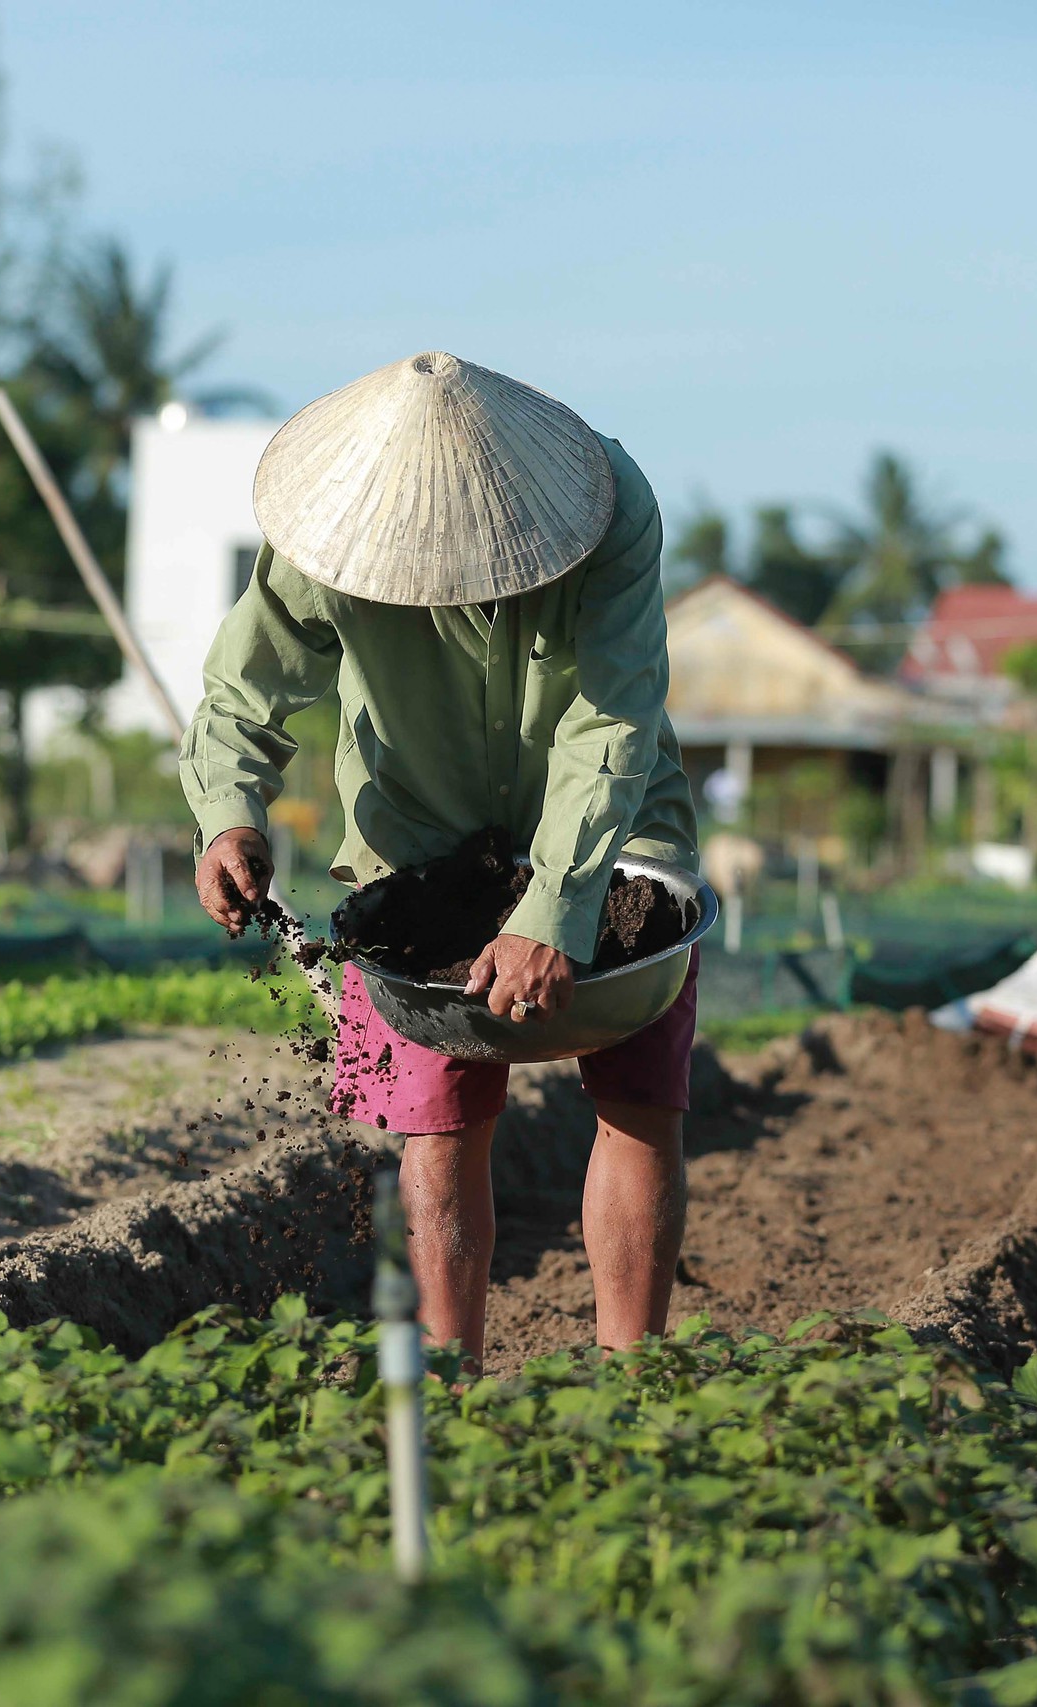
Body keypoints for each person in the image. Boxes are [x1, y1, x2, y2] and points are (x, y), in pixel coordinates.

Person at [183, 351, 699, 1373]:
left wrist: (552, 909)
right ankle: (447, 1384)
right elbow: (243, 694)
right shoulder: (328, 535)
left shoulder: (610, 507)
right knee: (439, 1124)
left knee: (640, 1101)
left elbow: (609, 720)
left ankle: (633, 1383)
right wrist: (226, 816)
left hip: (611, 832)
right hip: (415, 843)